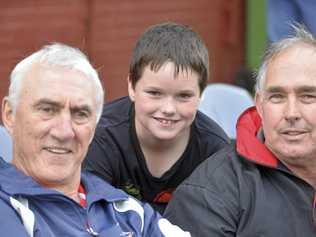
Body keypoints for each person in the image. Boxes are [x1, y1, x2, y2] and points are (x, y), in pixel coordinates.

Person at [0, 43, 190, 236]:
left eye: (80, 114)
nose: (64, 131)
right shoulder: (7, 207)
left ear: (94, 127)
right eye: (47, 110)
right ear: (9, 115)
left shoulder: (125, 209)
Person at [164, 25, 316, 236]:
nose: (291, 113)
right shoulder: (210, 194)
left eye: (308, 96)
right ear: (260, 106)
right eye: (277, 97)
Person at [83, 22, 230, 213]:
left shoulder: (215, 152)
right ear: (131, 87)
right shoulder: (100, 137)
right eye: (154, 93)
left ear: (201, 94)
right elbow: (87, 218)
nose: (168, 108)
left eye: (184, 96)